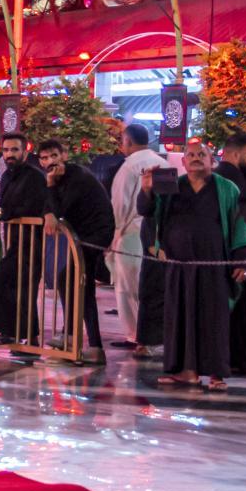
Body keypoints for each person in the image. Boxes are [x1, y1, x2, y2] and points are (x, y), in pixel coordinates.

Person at [143, 139, 246, 390]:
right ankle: (187, 372)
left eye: (201, 154)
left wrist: (241, 261)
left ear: (212, 160)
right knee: (179, 318)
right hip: (179, 267)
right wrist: (147, 190)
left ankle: (216, 375)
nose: (195, 158)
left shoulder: (227, 189)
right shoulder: (172, 187)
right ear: (183, 162)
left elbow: (242, 226)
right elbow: (149, 213)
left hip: (214, 267)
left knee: (214, 320)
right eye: (190, 155)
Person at [38, 138, 116, 359]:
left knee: (81, 285)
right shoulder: (59, 179)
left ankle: (88, 343)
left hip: (94, 236)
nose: (50, 161)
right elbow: (49, 206)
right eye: (45, 158)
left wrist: (50, 188)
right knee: (71, 281)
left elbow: (61, 209)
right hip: (82, 237)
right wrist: (48, 212)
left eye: (54, 156)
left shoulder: (78, 176)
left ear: (64, 155)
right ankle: (74, 336)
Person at [0, 132, 49, 347]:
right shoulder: (7, 176)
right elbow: (6, 205)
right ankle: (25, 335)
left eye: (14, 150)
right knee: (17, 287)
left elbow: (30, 207)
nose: (10, 154)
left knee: (8, 282)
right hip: (14, 240)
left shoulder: (35, 177)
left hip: (32, 242)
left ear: (25, 152)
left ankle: (16, 333)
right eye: (6, 150)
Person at [109, 123, 167, 352]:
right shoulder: (163, 164)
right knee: (151, 287)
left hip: (131, 232)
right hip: (158, 233)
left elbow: (119, 205)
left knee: (128, 288)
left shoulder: (129, 167)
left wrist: (113, 234)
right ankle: (152, 335)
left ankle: (134, 334)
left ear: (128, 141)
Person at [218, 133, 246, 374]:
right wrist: (244, 259)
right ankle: (244, 360)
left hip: (228, 256)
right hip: (239, 255)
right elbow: (243, 222)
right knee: (244, 313)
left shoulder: (227, 178)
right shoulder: (233, 181)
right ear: (235, 154)